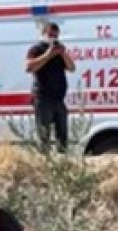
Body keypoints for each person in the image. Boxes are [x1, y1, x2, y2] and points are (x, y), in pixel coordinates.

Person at [25, 22, 76, 152]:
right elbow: (29, 67)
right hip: (43, 98)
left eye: (56, 35)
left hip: (58, 99)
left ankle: (62, 160)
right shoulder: (36, 49)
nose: (53, 38)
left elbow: (71, 68)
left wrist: (63, 53)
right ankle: (44, 160)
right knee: (44, 135)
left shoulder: (59, 50)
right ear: (43, 34)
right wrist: (47, 55)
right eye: (50, 34)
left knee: (62, 135)